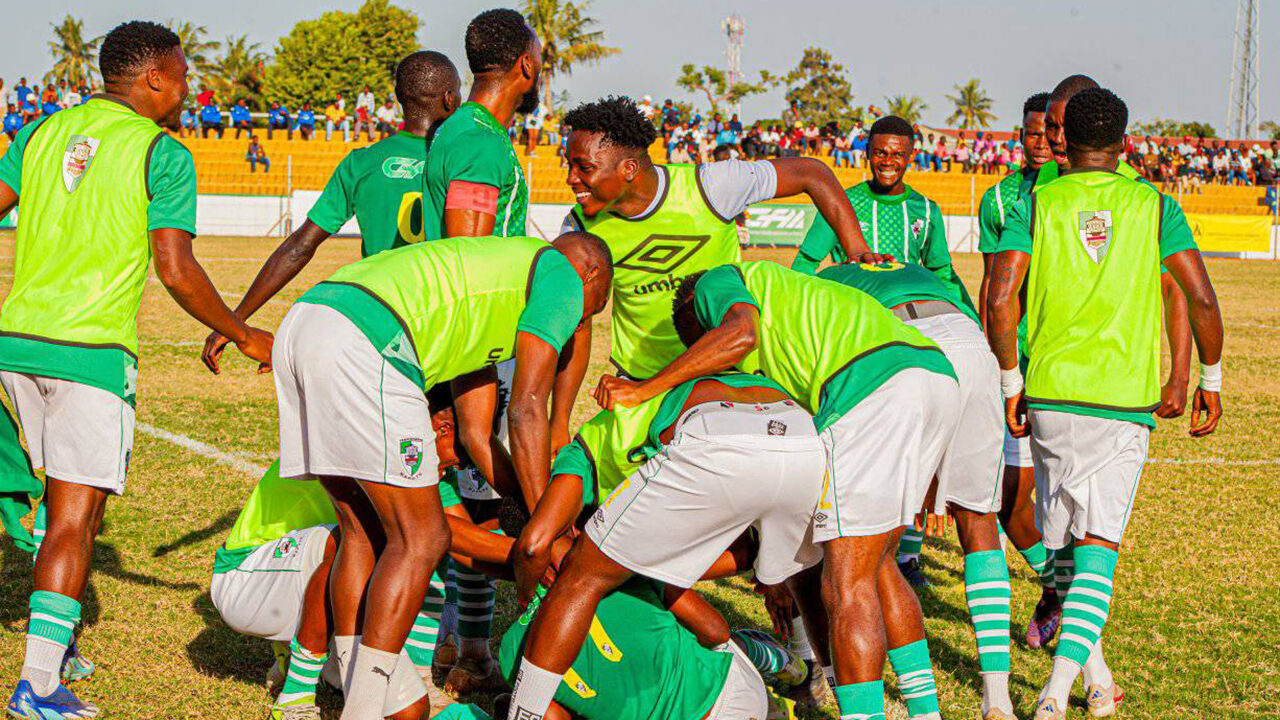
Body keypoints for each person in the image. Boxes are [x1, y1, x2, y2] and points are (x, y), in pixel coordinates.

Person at [0, 21, 274, 719]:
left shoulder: (40, 131)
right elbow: (176, 270)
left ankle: (56, 648)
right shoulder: (162, 152)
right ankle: (36, 684)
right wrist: (242, 333)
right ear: (152, 78)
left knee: (71, 513)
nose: (189, 91)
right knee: (74, 515)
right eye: (183, 77)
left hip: (14, 345)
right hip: (88, 352)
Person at [592, 261, 960, 720]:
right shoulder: (788, 306)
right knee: (879, 565)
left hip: (872, 386)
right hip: (933, 374)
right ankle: (926, 713)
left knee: (848, 583)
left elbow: (739, 335)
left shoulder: (716, 282)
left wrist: (645, 388)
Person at [270, 232, 611, 720]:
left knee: (363, 530)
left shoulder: (497, 293)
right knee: (422, 538)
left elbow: (476, 436)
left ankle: (348, 674)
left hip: (310, 318)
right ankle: (362, 710)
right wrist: (548, 528)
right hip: (367, 337)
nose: (579, 321)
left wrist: (520, 507)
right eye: (589, 310)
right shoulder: (562, 273)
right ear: (592, 275)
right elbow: (529, 409)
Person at [987, 87, 1224, 720]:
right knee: (1098, 547)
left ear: (1065, 137)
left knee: (1064, 546)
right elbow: (1199, 298)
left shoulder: (1036, 200)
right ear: (1124, 142)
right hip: (1118, 400)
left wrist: (1011, 382)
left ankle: (1097, 681)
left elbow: (1000, 295)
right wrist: (1212, 377)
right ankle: (1056, 693)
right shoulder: (1156, 205)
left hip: (1050, 395)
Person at [555, 96, 876, 455]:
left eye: (583, 167)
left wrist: (857, 250)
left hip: (729, 375)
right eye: (569, 165)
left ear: (628, 168)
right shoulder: (580, 228)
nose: (571, 179)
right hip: (641, 384)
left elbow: (811, 173)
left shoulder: (711, 186)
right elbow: (578, 324)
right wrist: (558, 426)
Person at [506, 372, 826, 720]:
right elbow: (715, 629)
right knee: (714, 622)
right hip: (785, 443)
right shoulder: (588, 473)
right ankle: (781, 660)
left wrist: (528, 596)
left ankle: (779, 659)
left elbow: (533, 546)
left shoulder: (514, 648)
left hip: (714, 461)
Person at [817, 261, 1015, 720]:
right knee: (979, 521)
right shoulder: (923, 271)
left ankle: (911, 699)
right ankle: (998, 697)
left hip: (910, 347)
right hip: (969, 342)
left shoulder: (822, 283)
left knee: (875, 546)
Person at [202, 51, 462, 368]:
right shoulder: (468, 162)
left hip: (385, 324)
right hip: (451, 321)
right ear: (450, 100)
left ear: (397, 100)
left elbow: (299, 247)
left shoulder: (362, 162)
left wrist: (235, 319)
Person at [211, 463, 432, 720]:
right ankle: (295, 697)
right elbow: (438, 534)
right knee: (351, 541)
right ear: (440, 427)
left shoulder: (428, 471)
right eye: (460, 456)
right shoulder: (369, 448)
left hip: (311, 582)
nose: (460, 465)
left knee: (410, 712)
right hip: (244, 581)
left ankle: (297, 655)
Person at [972, 91, 1067, 645]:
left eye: (1046, 133)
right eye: (1029, 133)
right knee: (1011, 504)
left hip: (1063, 363)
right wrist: (994, 357)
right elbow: (993, 285)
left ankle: (1072, 598)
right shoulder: (1000, 199)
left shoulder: (1071, 189)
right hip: (1014, 364)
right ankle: (1056, 589)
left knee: (1065, 502)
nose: (1038, 143)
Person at [791, 116, 969, 351]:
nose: (887, 161)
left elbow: (943, 273)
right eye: (880, 153)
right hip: (852, 327)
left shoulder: (926, 209)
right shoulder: (841, 203)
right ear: (867, 152)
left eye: (897, 154)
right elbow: (804, 266)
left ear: (911, 157)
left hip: (910, 329)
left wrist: (970, 319)